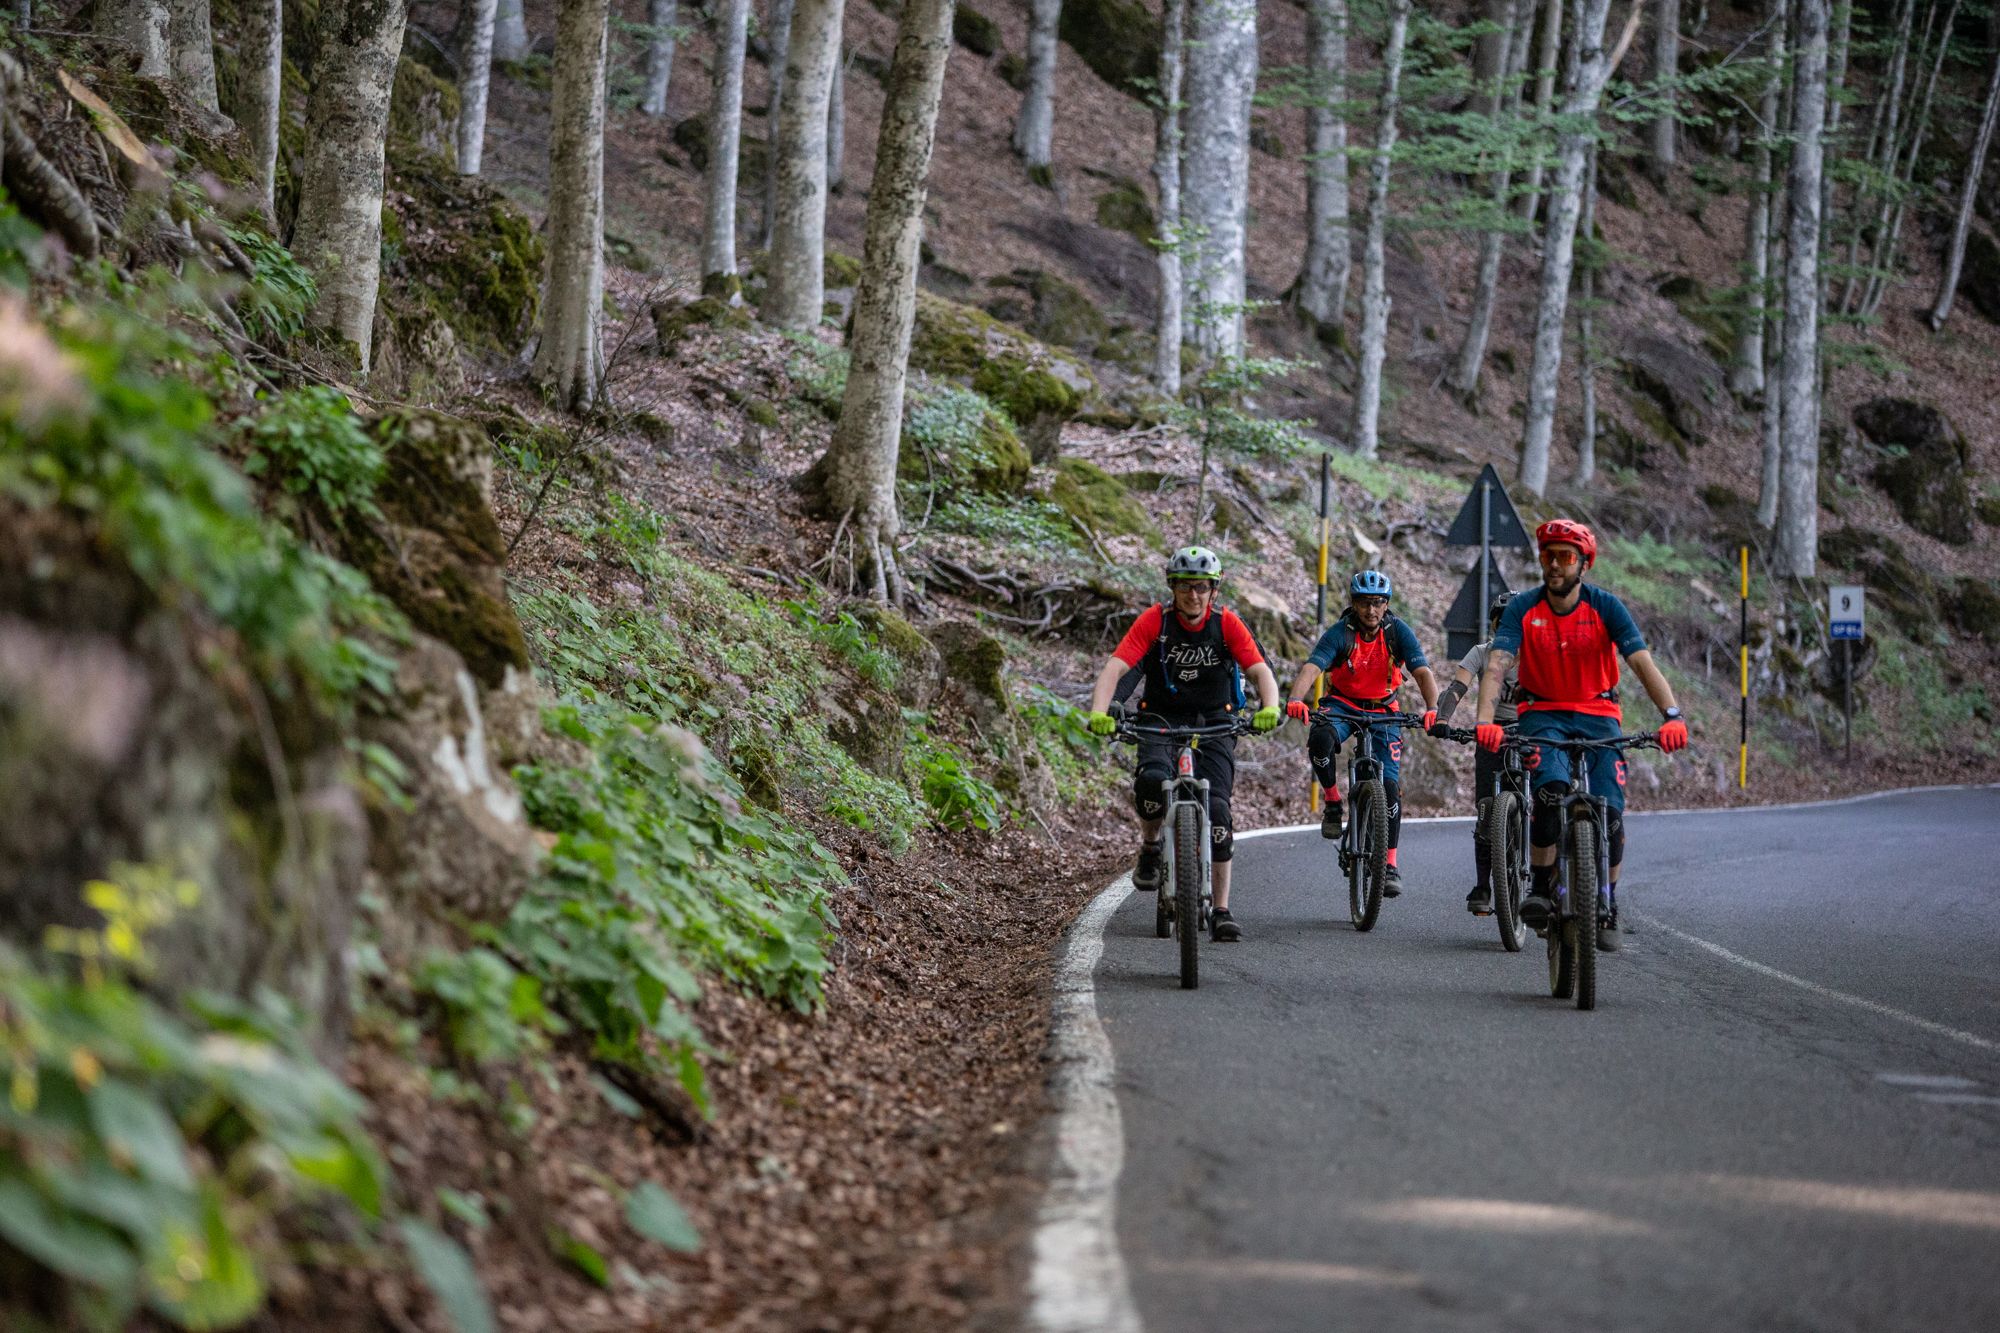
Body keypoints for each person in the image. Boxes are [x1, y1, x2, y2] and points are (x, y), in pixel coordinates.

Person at [1474, 519, 1690, 948]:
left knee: (1609, 812)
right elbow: (1497, 665)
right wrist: (1484, 721)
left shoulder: (1606, 607)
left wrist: (1672, 715)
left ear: (1584, 564)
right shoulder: (1523, 609)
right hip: (1542, 713)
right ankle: (1537, 886)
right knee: (1551, 794)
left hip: (1599, 714)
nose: (1555, 564)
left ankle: (1606, 903)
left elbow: (1642, 664)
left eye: (1565, 557)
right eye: (1548, 555)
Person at [1087, 547, 1282, 942]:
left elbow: (1259, 668)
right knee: (1151, 783)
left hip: (1215, 720)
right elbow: (1117, 667)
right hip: (1159, 716)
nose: (1193, 595)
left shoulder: (1226, 623)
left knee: (1219, 812)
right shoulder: (1154, 621)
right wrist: (1100, 710)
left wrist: (1271, 707)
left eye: (1201, 587)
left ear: (1213, 589)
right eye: (1184, 587)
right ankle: (1151, 846)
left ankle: (1222, 909)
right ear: (1172, 588)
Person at [1284, 570, 1440, 897]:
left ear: (1386, 605)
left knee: (1392, 787)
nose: (1371, 610)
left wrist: (1433, 708)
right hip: (1342, 704)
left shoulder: (1398, 632)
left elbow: (1421, 671)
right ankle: (1332, 802)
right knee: (1321, 738)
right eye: (1365, 603)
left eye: (1378, 603)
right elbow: (1313, 666)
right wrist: (1296, 698)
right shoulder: (1341, 633)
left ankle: (1391, 864)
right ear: (1354, 603)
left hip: (1384, 707)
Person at [1431, 590, 1518, 915]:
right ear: (1494, 624)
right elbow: (1457, 688)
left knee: (1547, 797)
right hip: (1490, 731)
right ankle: (1483, 886)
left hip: (1531, 730)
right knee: (1486, 809)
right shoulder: (1482, 652)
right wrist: (1443, 719)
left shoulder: (1538, 653)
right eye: (1502, 620)